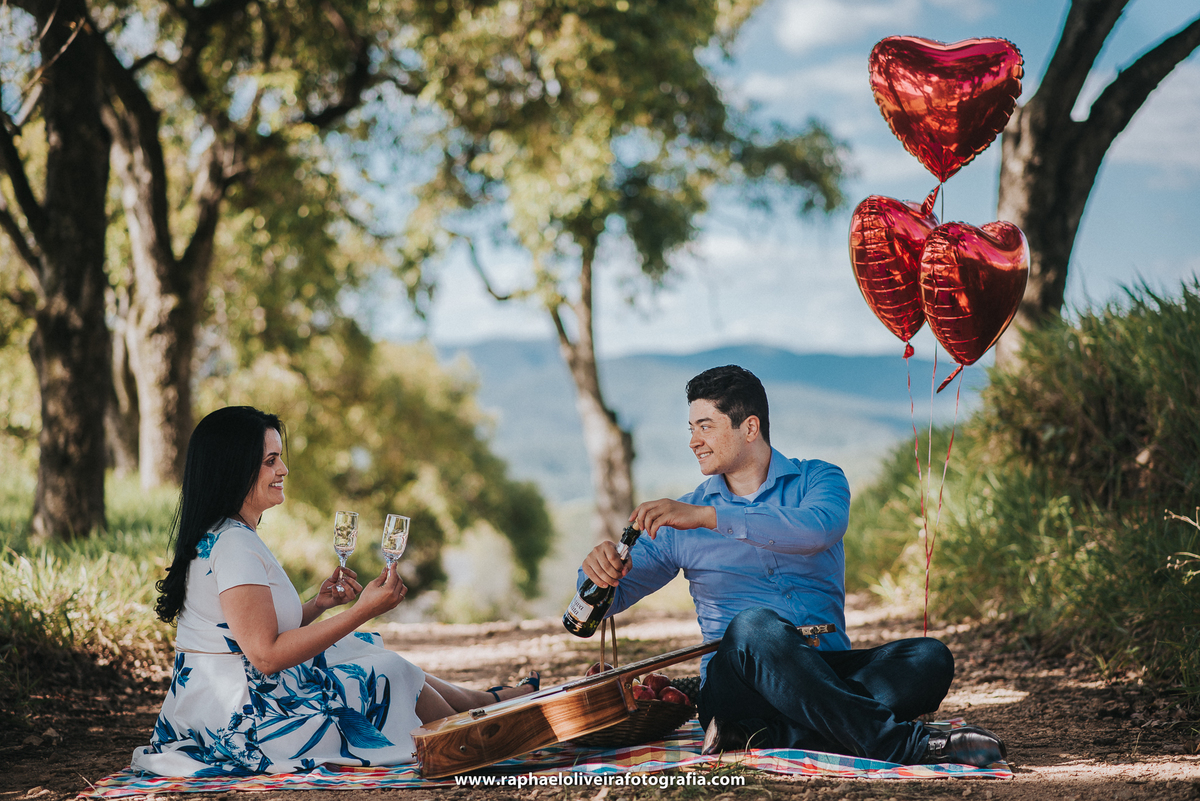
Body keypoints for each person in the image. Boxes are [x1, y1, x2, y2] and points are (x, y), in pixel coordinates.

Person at [578, 365, 1005, 767]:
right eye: (691, 429)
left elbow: (817, 529)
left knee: (928, 658)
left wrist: (712, 518)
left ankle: (759, 735)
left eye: (705, 426)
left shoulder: (819, 480)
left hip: (825, 671)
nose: (693, 440)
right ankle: (897, 743)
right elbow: (604, 602)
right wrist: (594, 573)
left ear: (749, 427)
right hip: (738, 687)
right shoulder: (679, 519)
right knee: (753, 626)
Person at [132, 406, 538, 776]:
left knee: (357, 649)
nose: (284, 469)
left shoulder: (224, 533)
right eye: (271, 460)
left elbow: (247, 629)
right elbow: (266, 655)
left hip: (208, 707)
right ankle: (476, 736)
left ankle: (482, 705)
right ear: (234, 469)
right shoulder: (235, 544)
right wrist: (362, 610)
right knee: (385, 671)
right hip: (243, 723)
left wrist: (319, 605)